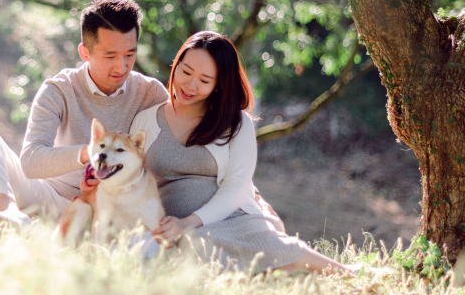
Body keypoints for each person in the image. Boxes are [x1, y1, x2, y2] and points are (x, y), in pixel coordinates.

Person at [132, 30, 352, 274]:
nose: (190, 86)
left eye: (204, 81)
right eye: (186, 72)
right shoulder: (145, 121)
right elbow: (130, 179)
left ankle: (348, 272)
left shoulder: (236, 123)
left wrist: (188, 222)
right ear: (176, 65)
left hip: (232, 218)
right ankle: (282, 270)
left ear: (218, 85)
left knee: (253, 244)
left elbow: (236, 187)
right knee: (191, 249)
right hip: (174, 227)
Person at [0, 0, 169, 227]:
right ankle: (9, 216)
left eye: (129, 54)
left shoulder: (151, 93)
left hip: (111, 210)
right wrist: (89, 153)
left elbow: (169, 157)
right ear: (85, 53)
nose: (121, 66)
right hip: (51, 197)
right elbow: (31, 161)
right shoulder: (59, 89)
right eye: (110, 56)